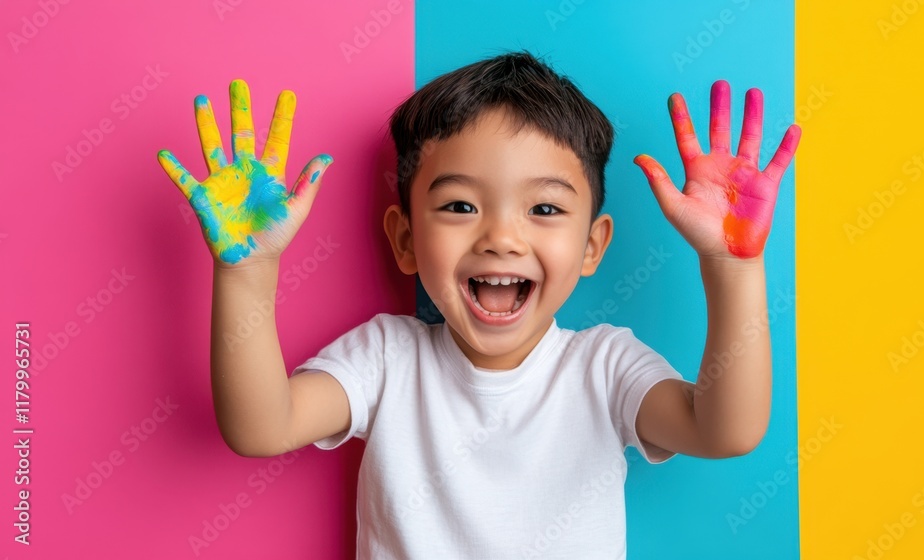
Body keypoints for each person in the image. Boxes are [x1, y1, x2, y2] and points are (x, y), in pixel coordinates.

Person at [157, 51, 800, 558]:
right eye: (460, 206)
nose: (500, 237)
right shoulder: (386, 356)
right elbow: (259, 428)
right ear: (406, 239)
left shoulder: (605, 366)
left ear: (591, 246)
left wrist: (730, 264)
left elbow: (727, 430)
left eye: (544, 209)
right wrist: (248, 268)